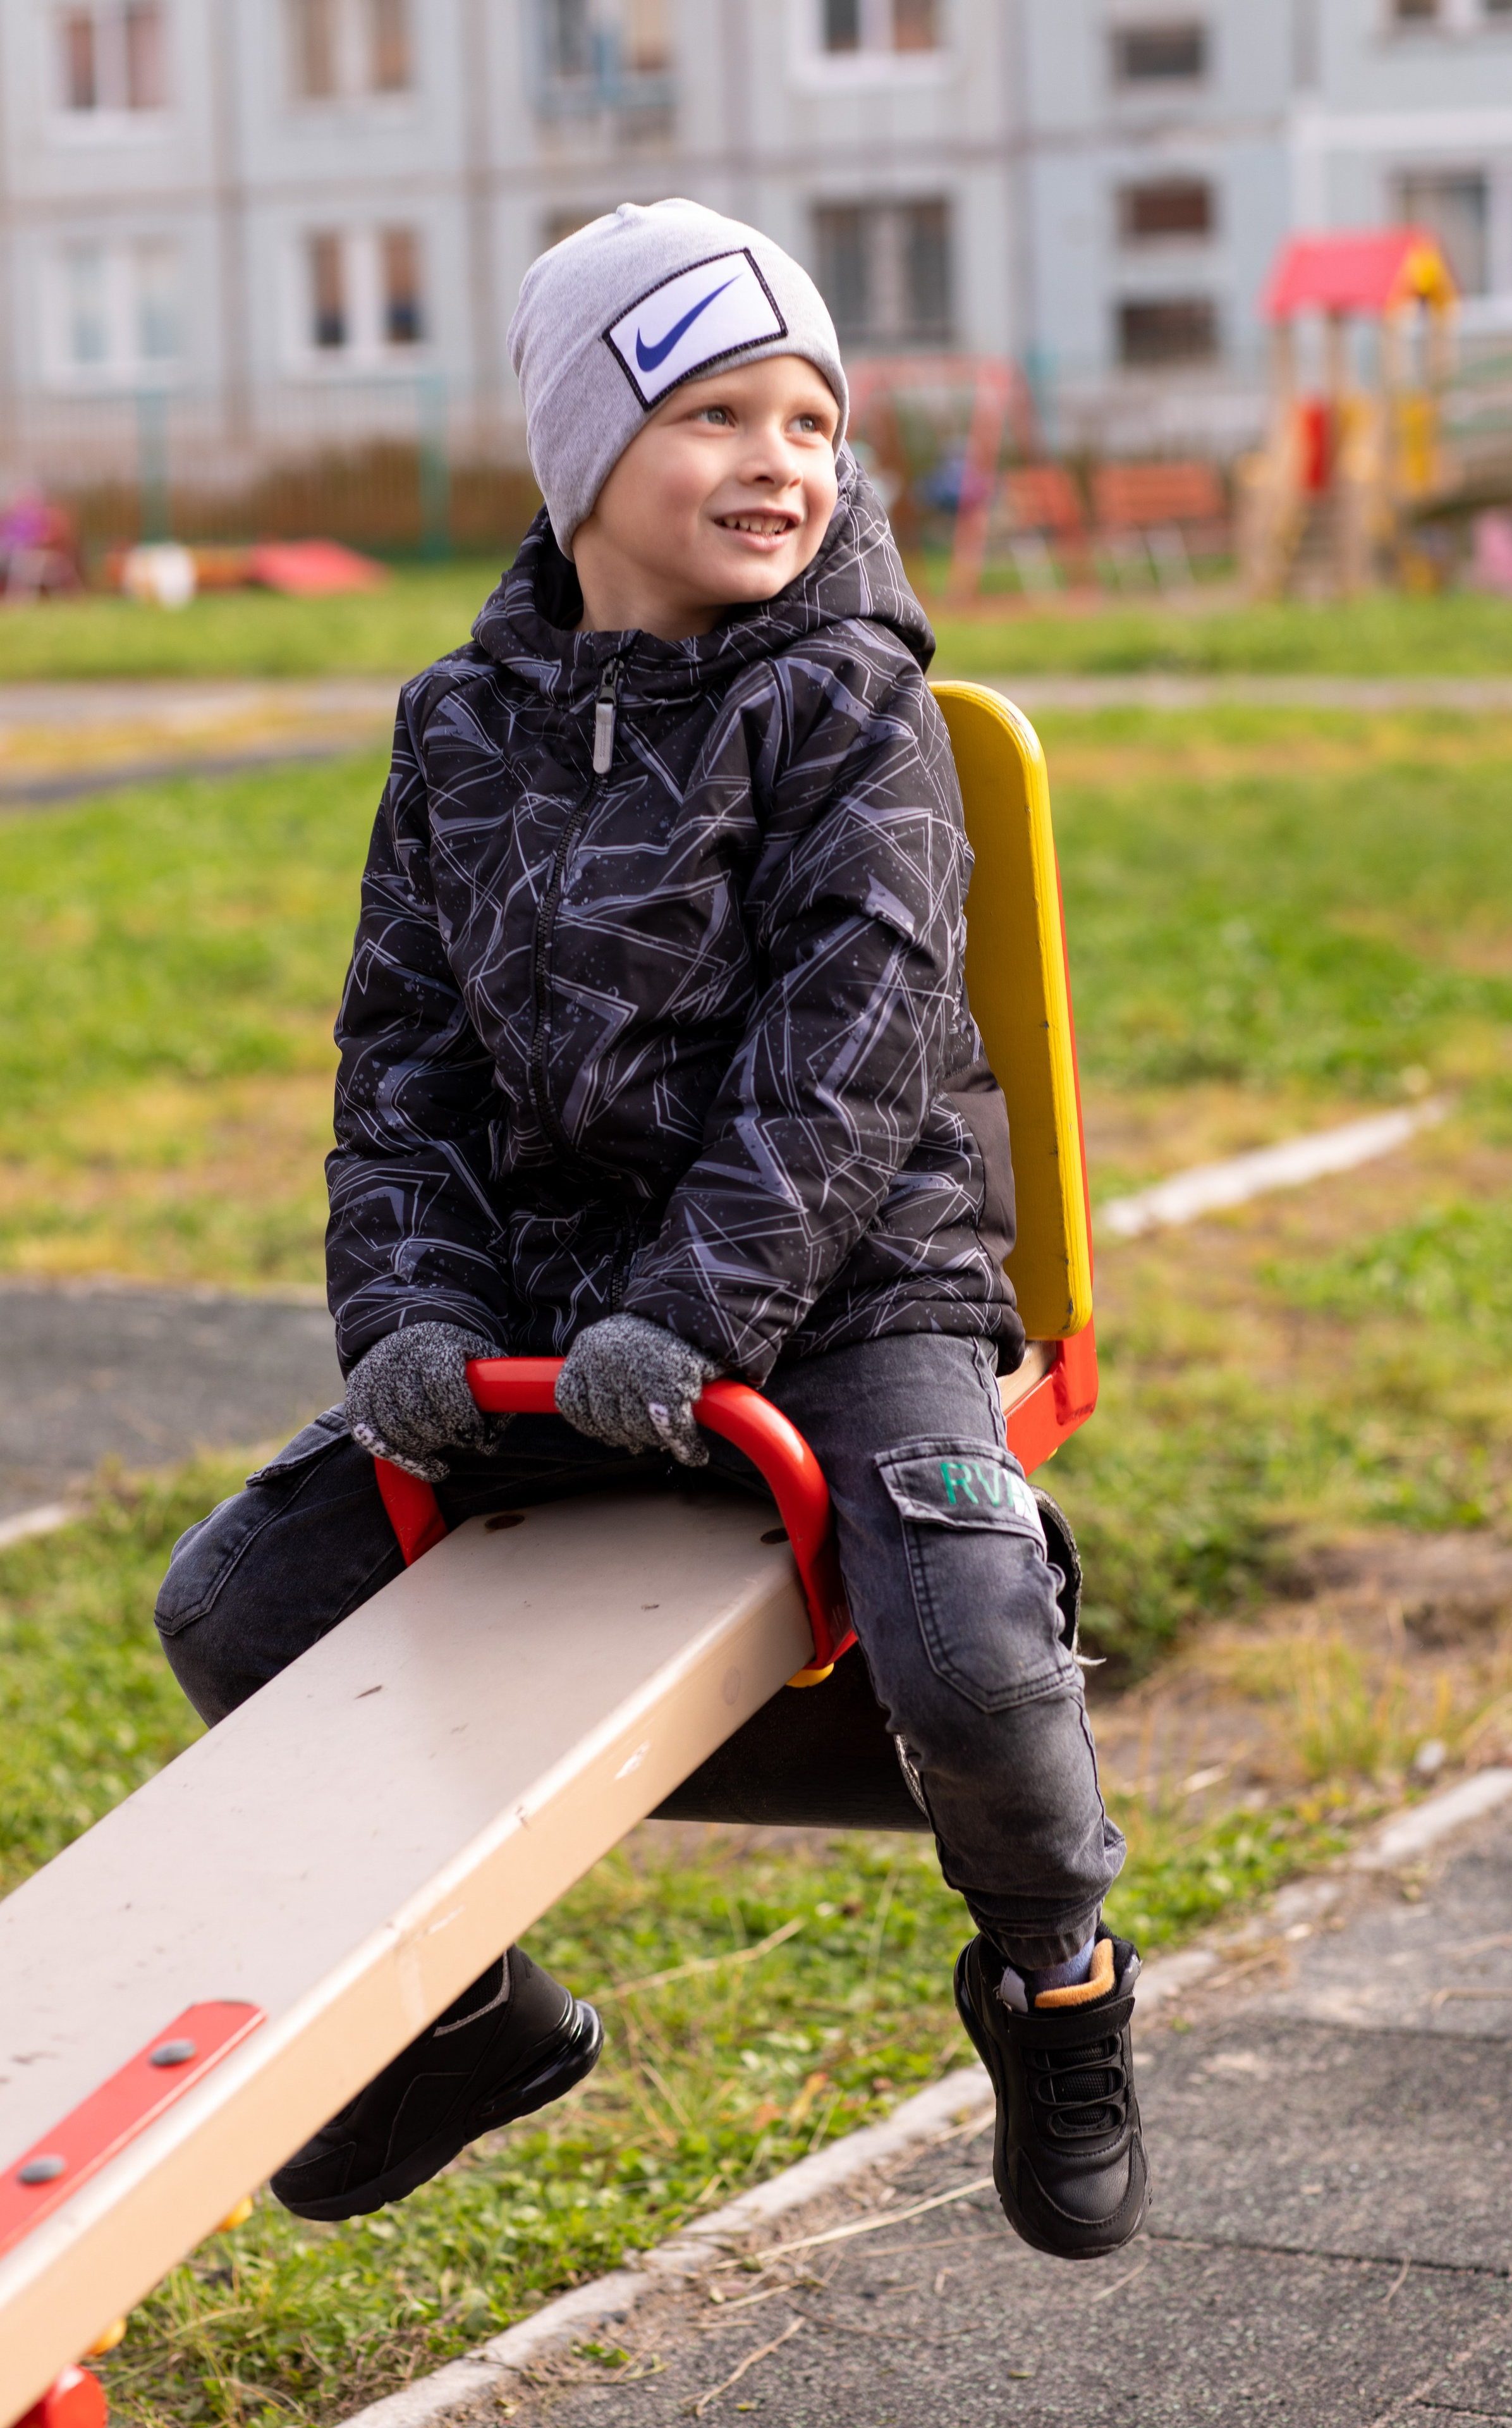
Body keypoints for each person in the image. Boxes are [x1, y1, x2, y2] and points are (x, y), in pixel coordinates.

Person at [153, 200, 1147, 2262]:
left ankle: (1058, 1980)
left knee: (967, 1641)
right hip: (562, 1310)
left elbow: (849, 1053)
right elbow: (404, 1060)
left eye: (814, 420)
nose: (783, 460)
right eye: (716, 414)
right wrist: (414, 1314)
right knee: (238, 1605)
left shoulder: (853, 711)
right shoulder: (456, 730)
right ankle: (462, 2027)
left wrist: (697, 1317)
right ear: (584, 453)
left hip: (847, 1284)